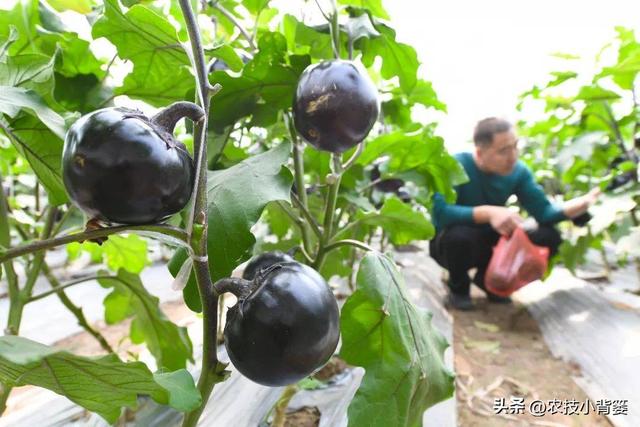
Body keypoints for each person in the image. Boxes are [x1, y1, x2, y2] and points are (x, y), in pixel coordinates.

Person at [430, 117, 600, 310]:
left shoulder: (518, 172)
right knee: (459, 237)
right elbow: (440, 214)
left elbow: (543, 212)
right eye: (503, 150)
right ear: (479, 152)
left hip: (491, 239)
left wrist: (574, 207)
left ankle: (488, 281)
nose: (513, 156)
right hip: (452, 244)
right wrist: (489, 212)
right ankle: (458, 288)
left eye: (515, 146)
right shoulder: (455, 165)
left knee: (548, 235)